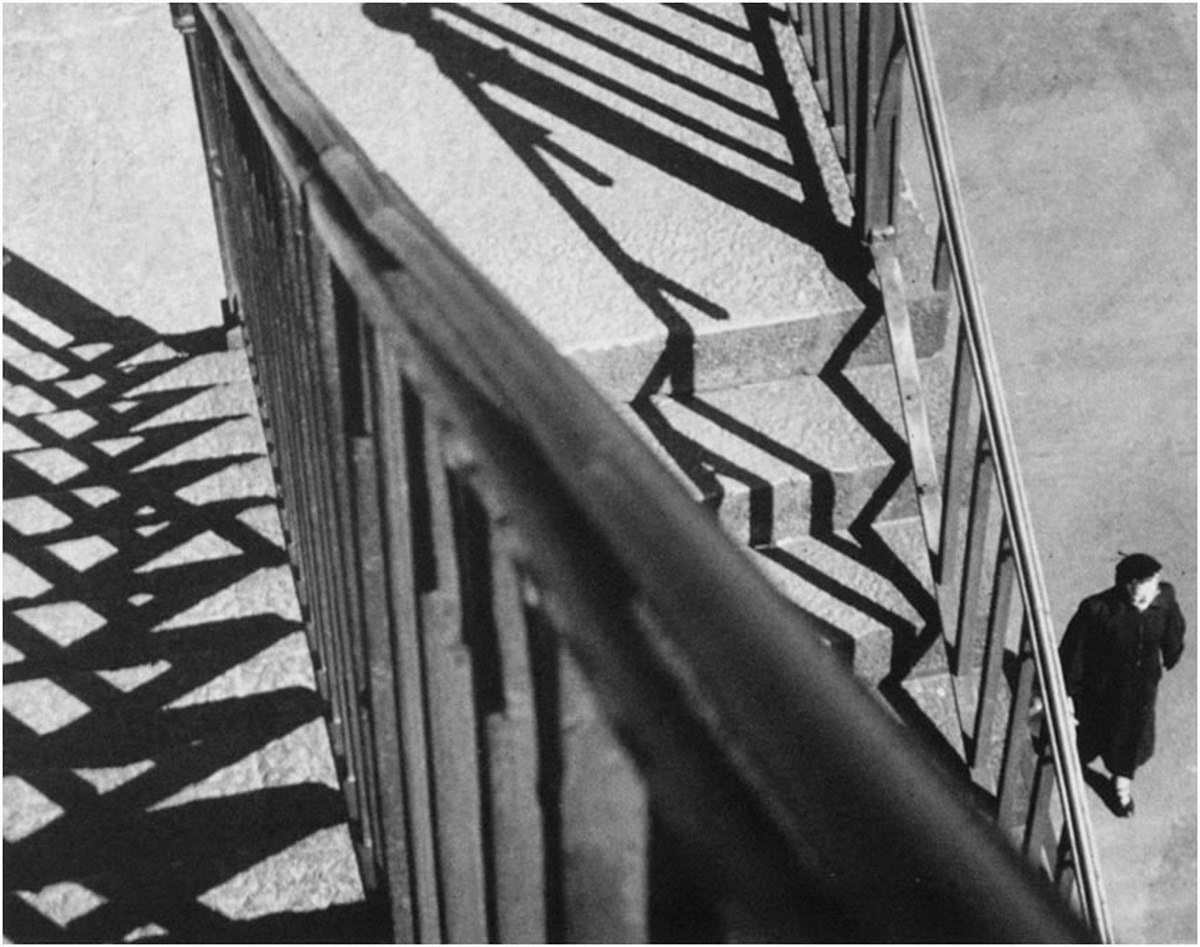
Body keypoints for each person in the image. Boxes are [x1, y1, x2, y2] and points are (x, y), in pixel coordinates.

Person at [1058, 553, 1186, 817]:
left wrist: (1171, 654)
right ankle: (1074, 765)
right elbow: (1075, 653)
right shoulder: (1097, 610)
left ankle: (1120, 785)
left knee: (1131, 735)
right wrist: (1067, 693)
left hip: (1141, 689)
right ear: (1126, 586)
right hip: (1103, 687)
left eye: (1148, 595)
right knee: (1092, 733)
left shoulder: (1164, 600)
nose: (1143, 603)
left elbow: (1174, 630)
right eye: (1138, 597)